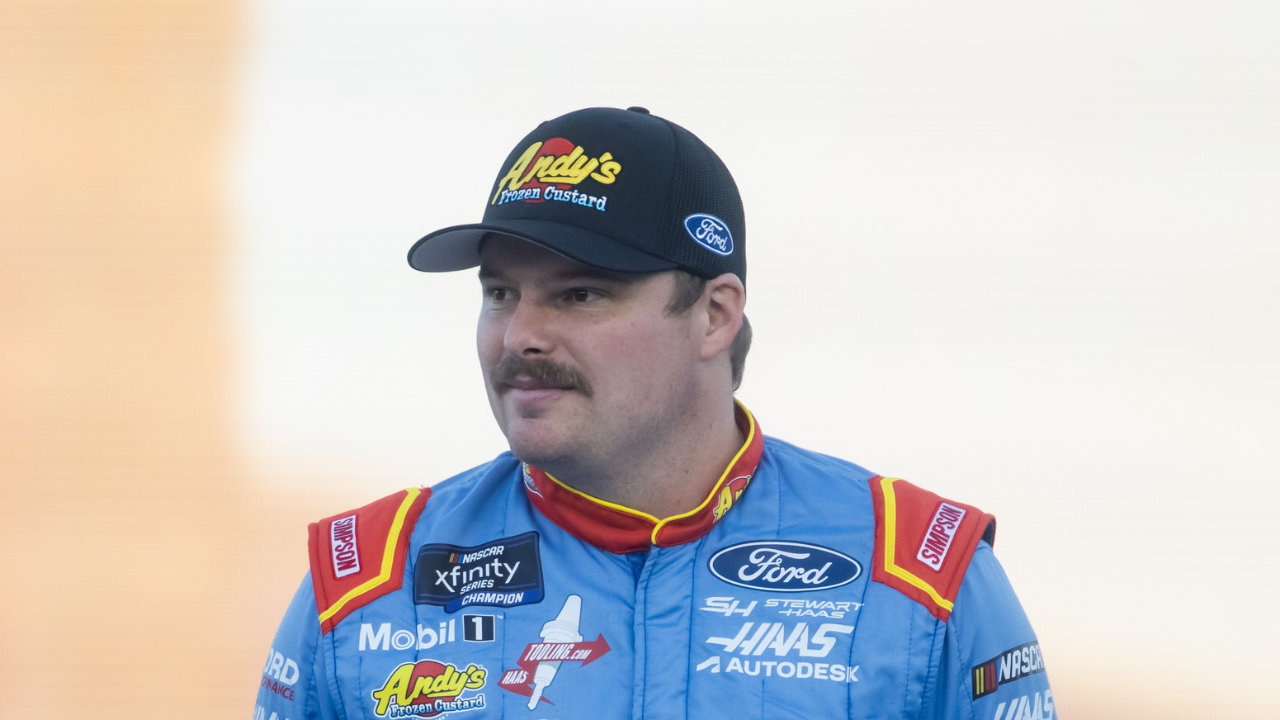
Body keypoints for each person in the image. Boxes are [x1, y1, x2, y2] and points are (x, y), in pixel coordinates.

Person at [255, 107, 1055, 720]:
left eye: (579, 294)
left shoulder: (920, 573)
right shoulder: (365, 583)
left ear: (714, 316)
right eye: (501, 292)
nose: (522, 334)